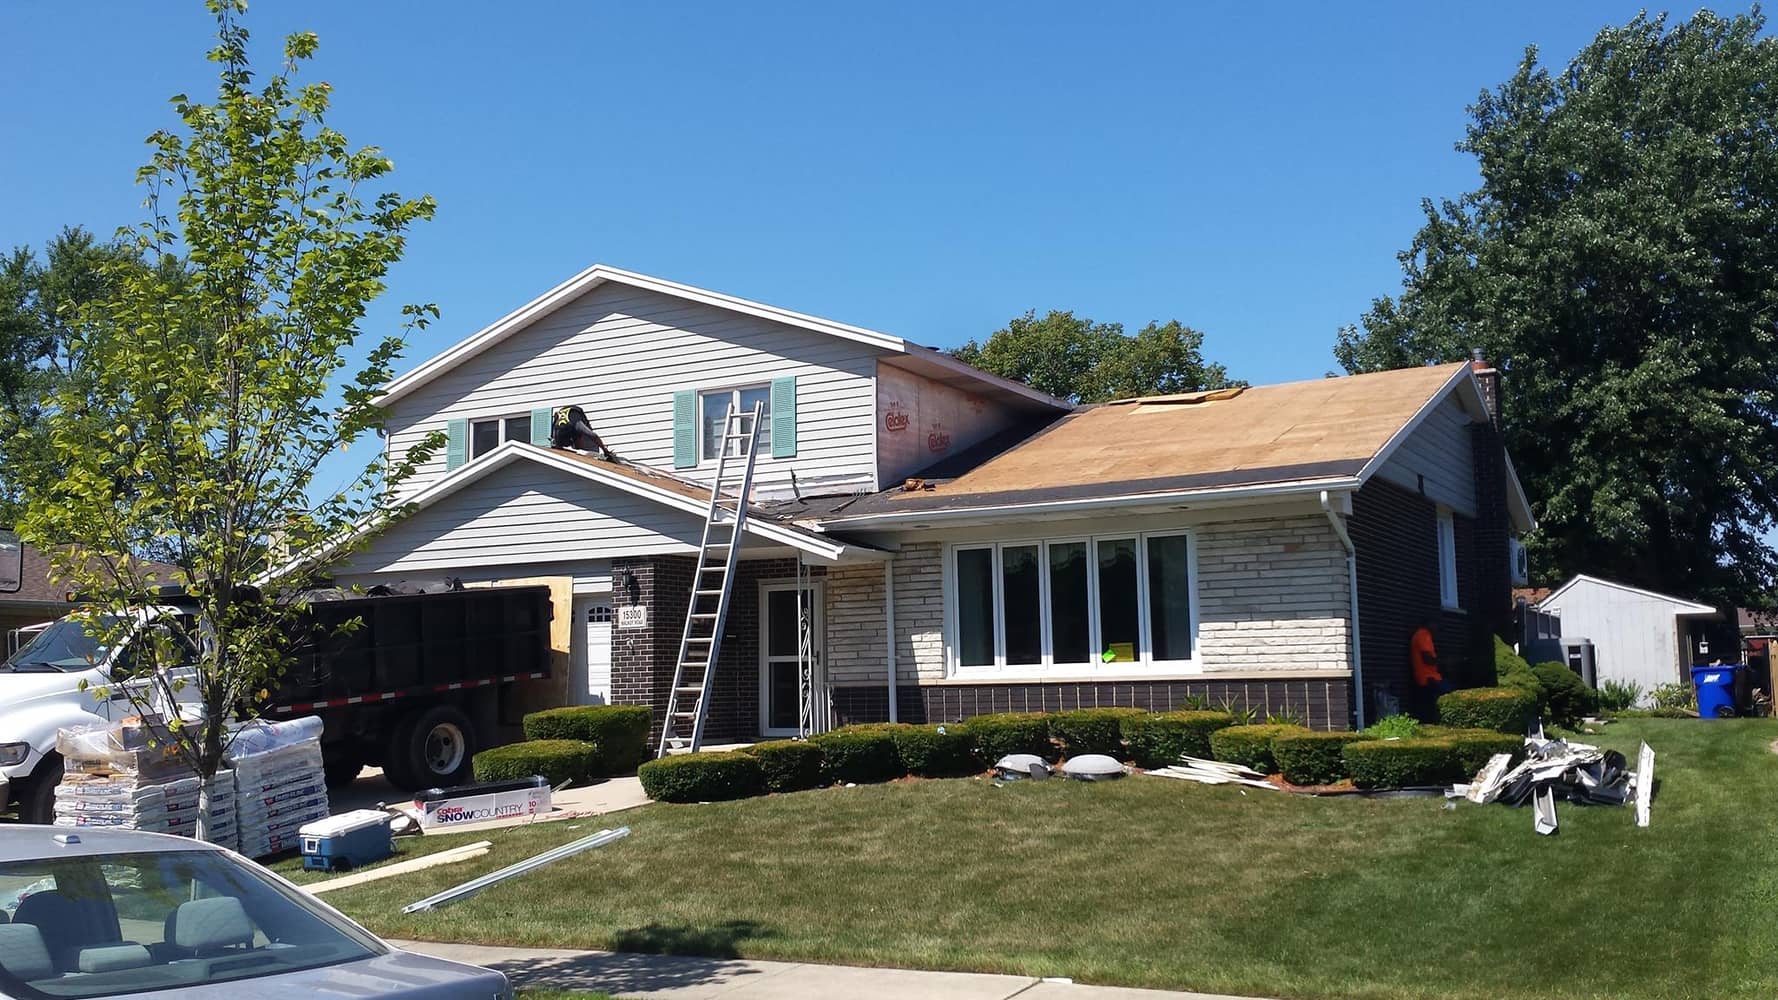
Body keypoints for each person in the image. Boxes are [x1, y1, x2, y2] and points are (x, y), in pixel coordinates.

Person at [550, 405, 618, 461]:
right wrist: (605, 450)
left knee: (585, 439)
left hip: (573, 413)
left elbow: (591, 436)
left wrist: (605, 450)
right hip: (566, 422)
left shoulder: (575, 425)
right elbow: (592, 435)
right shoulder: (574, 426)